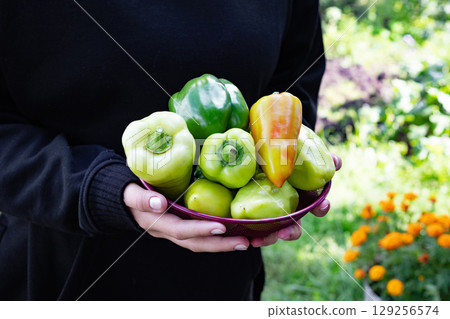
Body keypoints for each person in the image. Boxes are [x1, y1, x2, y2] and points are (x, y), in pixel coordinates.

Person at [0, 0, 341, 300]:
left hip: (223, 277)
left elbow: (296, 81)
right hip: (59, 275)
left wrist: (289, 160)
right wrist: (93, 187)